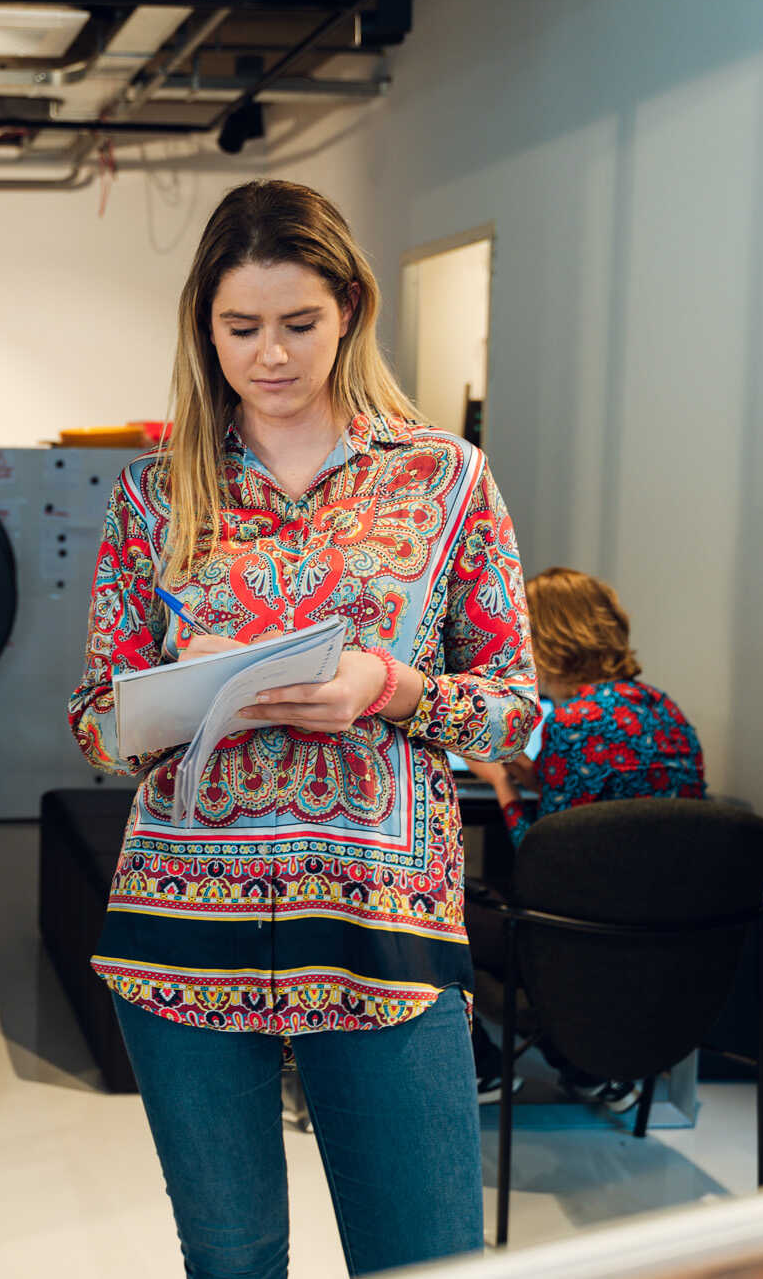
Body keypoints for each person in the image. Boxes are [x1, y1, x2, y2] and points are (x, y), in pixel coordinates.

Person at [69, 179, 539, 1279]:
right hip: (181, 922)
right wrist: (170, 702)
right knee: (230, 1262)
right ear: (203, 327)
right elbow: (94, 723)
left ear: (349, 311)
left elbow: (515, 711)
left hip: (382, 925)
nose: (269, 355)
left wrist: (387, 685)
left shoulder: (443, 481)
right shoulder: (154, 495)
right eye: (239, 329)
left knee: (422, 1257)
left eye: (297, 325)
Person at [462, 566, 706, 1110]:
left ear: (546, 638)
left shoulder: (575, 720)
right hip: (663, 926)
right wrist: (542, 775)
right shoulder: (666, 710)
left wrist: (502, 781)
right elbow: (621, 809)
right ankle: (589, 1069)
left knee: (434, 912)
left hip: (582, 932)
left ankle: (482, 1069)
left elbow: (547, 863)